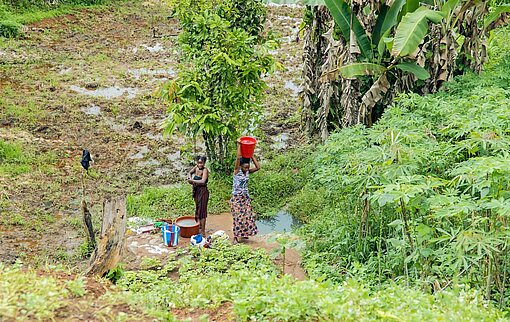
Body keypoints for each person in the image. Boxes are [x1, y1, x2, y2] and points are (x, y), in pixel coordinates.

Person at [230, 139, 260, 244]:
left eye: (248, 167)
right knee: (238, 217)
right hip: (237, 197)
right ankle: (235, 237)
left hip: (245, 197)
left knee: (247, 215)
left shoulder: (247, 172)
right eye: (245, 167)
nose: (247, 169)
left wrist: (251, 155)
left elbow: (258, 167)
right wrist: (239, 145)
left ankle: (244, 234)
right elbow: (238, 158)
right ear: (241, 166)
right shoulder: (237, 172)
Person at [187, 156, 209, 236]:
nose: (200, 165)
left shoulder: (205, 170)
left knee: (202, 211)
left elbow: (203, 181)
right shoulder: (196, 168)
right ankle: (198, 227)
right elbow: (189, 172)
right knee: (198, 209)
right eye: (198, 163)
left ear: (204, 163)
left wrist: (192, 181)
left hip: (203, 192)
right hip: (196, 191)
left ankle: (202, 231)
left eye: (201, 163)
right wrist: (189, 177)